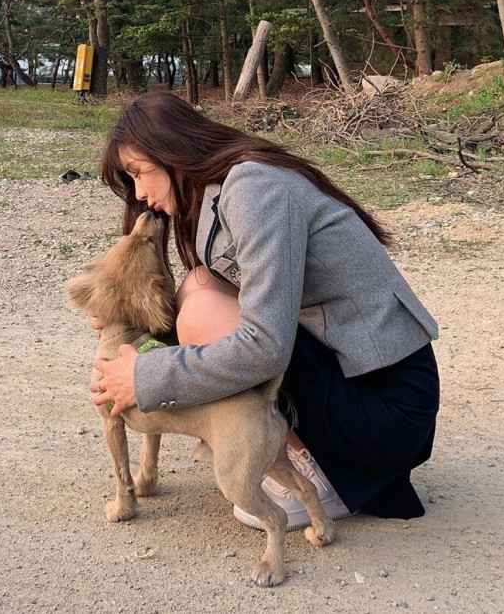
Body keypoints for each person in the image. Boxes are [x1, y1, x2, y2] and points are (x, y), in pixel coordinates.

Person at [89, 91, 439, 528]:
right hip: (349, 377)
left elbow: (266, 347)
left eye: (139, 173)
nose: (140, 193)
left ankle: (316, 472)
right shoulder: (220, 195)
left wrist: (144, 377)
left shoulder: (255, 188)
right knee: (198, 289)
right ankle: (295, 449)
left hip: (386, 406)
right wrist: (130, 320)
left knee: (201, 309)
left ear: (173, 149)